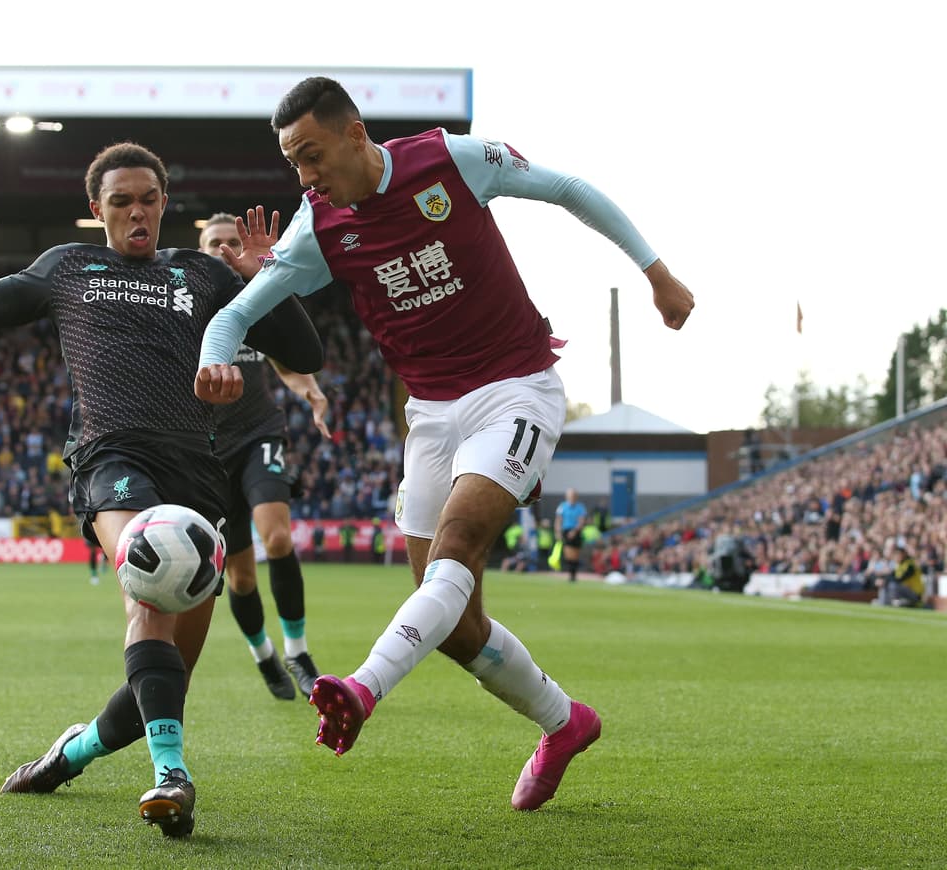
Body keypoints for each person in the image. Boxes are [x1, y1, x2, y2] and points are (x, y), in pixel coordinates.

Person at [194, 76, 694, 811]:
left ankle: (360, 688)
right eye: (291, 162)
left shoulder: (451, 161)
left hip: (516, 388)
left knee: (457, 547)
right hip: (429, 416)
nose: (303, 176)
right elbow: (236, 318)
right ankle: (565, 724)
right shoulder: (319, 225)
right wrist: (213, 358)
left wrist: (656, 271)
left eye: (310, 154)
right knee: (455, 625)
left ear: (353, 132)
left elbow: (568, 188)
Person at [0, 141, 321, 838]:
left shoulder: (202, 273)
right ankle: (173, 778)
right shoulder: (68, 267)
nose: (136, 213)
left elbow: (306, 354)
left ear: (165, 203)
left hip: (198, 472)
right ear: (95, 210)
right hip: (113, 460)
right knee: (152, 578)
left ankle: (70, 754)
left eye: (147, 199)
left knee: (162, 686)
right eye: (120, 202)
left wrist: (268, 275)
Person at [198, 211, 330, 700]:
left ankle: (297, 651)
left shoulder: (256, 301)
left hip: (259, 434)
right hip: (209, 451)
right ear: (201, 248)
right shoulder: (186, 306)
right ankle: (263, 655)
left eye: (231, 240)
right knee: (241, 574)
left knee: (277, 538)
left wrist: (310, 391)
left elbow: (288, 360)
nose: (224, 248)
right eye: (214, 242)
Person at [556, 488, 588, 582]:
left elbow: (581, 521)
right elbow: (558, 520)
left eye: (573, 496)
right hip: (566, 531)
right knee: (568, 554)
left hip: (576, 531)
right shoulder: (562, 506)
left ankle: (573, 574)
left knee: (575, 554)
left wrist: (575, 531)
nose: (572, 498)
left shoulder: (580, 507)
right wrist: (558, 532)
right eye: (570, 496)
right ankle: (571, 574)